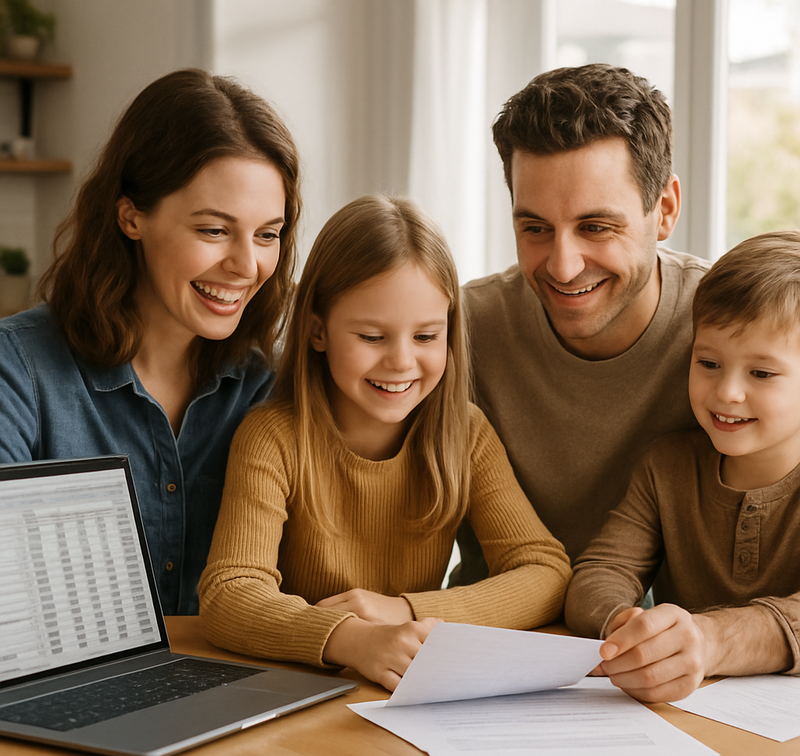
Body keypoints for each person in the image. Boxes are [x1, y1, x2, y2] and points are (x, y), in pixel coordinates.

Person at [198, 194, 571, 691]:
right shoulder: (273, 438)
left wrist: (407, 611)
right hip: (296, 691)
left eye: (425, 337)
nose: (401, 362)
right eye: (372, 337)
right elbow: (230, 594)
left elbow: (546, 572)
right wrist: (349, 638)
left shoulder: (465, 433)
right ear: (317, 331)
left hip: (407, 692)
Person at [0, 69, 301, 615]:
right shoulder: (17, 371)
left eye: (267, 234)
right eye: (213, 230)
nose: (246, 265)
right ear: (131, 216)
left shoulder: (266, 389)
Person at [450, 64, 710, 585]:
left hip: (679, 657)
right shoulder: (456, 331)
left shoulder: (740, 335)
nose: (563, 266)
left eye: (595, 227)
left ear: (664, 210)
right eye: (536, 228)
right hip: (488, 641)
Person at [565, 230, 800, 702]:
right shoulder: (667, 466)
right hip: (684, 717)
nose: (727, 392)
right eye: (708, 362)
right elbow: (601, 569)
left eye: (761, 373)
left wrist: (711, 638)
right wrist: (622, 623)